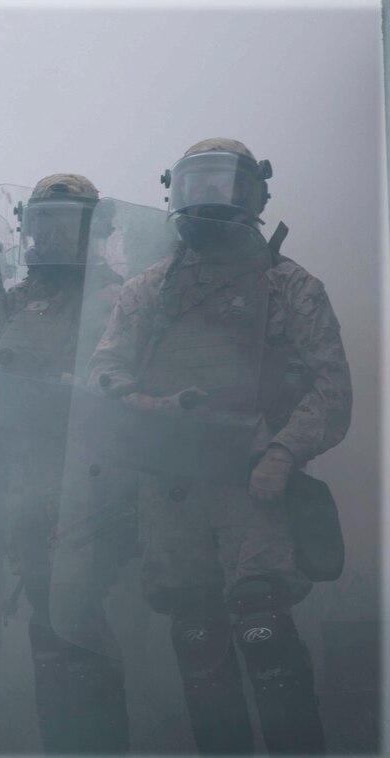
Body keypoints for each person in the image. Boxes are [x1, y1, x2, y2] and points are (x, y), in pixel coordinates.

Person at [88, 138, 352, 754]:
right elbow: (106, 371)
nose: (206, 200)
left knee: (263, 630)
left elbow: (330, 389)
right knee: (197, 636)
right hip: (171, 490)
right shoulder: (148, 290)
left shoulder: (290, 286)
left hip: (252, 484)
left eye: (221, 184)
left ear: (253, 192)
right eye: (194, 184)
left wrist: (285, 453)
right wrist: (138, 404)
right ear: (173, 192)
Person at [0, 174, 134, 753]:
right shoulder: (15, 299)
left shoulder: (116, 297)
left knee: (83, 619)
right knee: (44, 617)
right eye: (40, 223)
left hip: (88, 478)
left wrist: (65, 389)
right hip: (26, 478)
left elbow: (124, 388)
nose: (50, 236)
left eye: (64, 224)